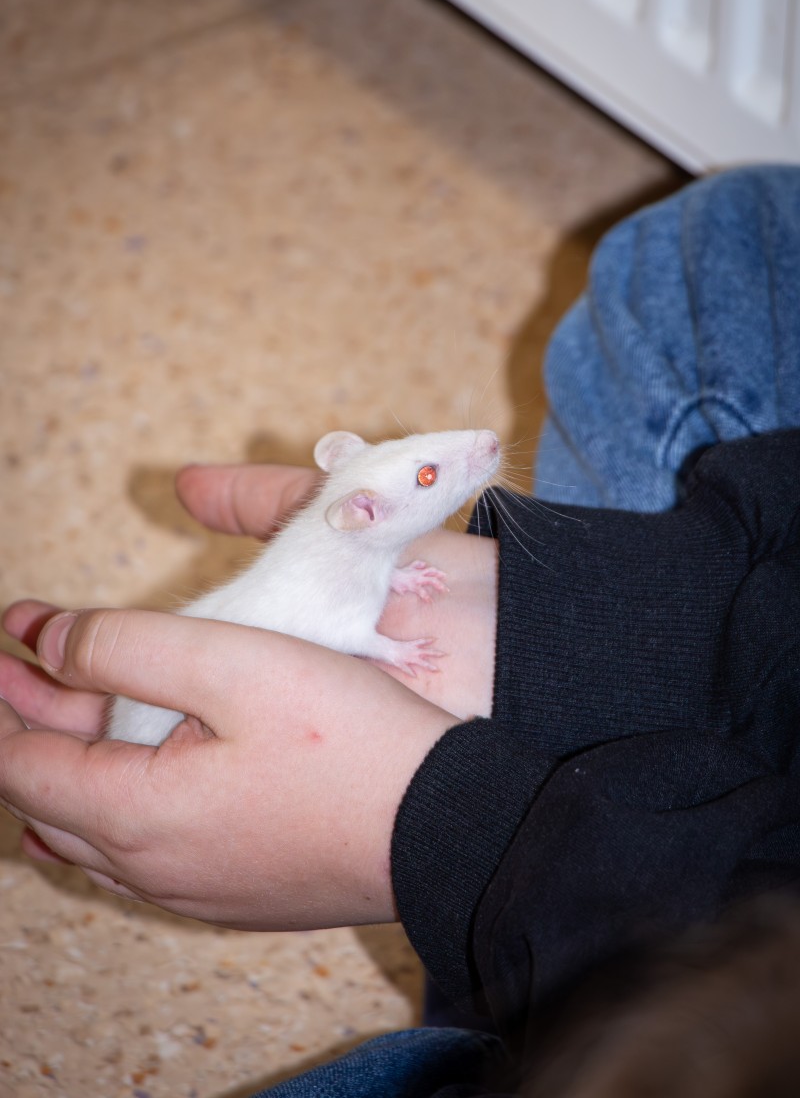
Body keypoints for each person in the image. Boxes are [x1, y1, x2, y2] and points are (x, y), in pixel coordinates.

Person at [0, 165, 799, 1097]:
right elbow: (341, 624)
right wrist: (567, 610)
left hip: (667, 988)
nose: (469, 453)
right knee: (727, 235)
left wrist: (430, 823)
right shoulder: (337, 560)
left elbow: (352, 612)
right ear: (360, 511)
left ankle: (508, 995)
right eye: (425, 477)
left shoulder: (350, 542)